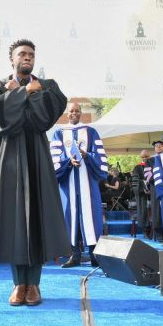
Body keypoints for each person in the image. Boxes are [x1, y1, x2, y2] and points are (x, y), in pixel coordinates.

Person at [0, 38, 70, 307]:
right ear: (12, 59)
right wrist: (22, 93)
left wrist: (26, 93)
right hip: (9, 157)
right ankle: (18, 284)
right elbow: (3, 121)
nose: (27, 57)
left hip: (36, 156)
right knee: (13, 220)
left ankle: (34, 284)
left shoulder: (48, 87)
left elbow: (42, 120)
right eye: (22, 54)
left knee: (37, 219)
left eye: (31, 54)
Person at [51, 102, 109, 268]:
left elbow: (100, 156)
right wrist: (68, 161)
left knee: (91, 217)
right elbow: (55, 157)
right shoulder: (59, 133)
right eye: (71, 111)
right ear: (67, 114)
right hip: (68, 183)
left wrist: (87, 156)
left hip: (88, 183)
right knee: (70, 217)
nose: (74, 113)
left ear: (81, 113)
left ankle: (94, 255)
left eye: (77, 111)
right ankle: (74, 255)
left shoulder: (91, 132)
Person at [131, 151, 153, 238]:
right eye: (143, 157)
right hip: (142, 194)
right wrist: (144, 188)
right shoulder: (137, 167)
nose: (145, 158)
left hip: (153, 193)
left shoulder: (153, 165)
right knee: (143, 212)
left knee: (155, 211)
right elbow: (135, 182)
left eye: (146, 157)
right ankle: (146, 230)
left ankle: (156, 231)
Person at [148, 140, 163, 240]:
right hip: (156, 188)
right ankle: (159, 233)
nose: (159, 147)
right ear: (154, 148)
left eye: (160, 146)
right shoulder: (150, 161)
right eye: (157, 146)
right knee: (157, 210)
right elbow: (148, 176)